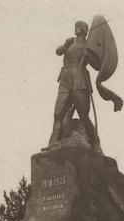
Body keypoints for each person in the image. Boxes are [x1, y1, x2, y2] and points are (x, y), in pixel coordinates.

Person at [44, 20, 99, 150]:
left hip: (79, 81)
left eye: (79, 27)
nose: (76, 28)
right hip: (65, 80)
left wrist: (88, 57)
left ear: (85, 30)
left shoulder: (88, 46)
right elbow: (58, 51)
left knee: (83, 115)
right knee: (58, 114)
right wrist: (65, 44)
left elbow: (97, 65)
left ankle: (94, 142)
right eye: (75, 26)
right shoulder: (69, 43)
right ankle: (53, 143)